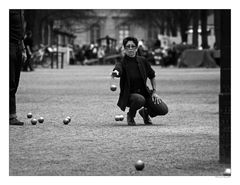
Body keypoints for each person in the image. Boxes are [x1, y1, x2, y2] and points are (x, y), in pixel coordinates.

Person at [111, 36, 168, 126]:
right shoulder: (122, 62)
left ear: (136, 48)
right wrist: (115, 72)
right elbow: (118, 69)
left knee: (163, 109)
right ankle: (131, 115)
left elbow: (152, 76)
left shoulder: (143, 61)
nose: (130, 48)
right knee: (139, 99)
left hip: (145, 93)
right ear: (124, 49)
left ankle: (145, 112)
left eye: (133, 46)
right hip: (130, 96)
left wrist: (154, 92)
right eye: (128, 46)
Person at [10, 10, 27, 125]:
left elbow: (20, 33)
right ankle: (11, 116)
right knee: (9, 82)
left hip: (18, 46)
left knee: (15, 83)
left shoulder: (20, 10)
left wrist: (23, 49)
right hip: (8, 45)